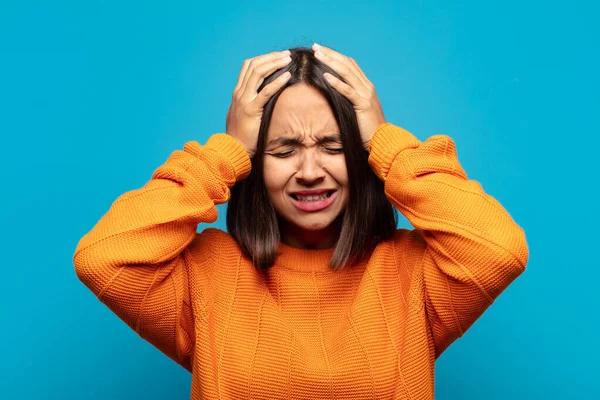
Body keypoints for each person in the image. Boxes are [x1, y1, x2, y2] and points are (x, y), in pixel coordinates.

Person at [73, 43, 529, 399]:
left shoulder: (412, 272)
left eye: (334, 147)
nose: (310, 172)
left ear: (361, 155)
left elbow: (499, 249)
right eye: (284, 150)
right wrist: (223, 154)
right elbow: (103, 259)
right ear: (254, 159)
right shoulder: (206, 273)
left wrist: (388, 144)